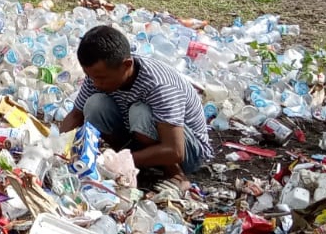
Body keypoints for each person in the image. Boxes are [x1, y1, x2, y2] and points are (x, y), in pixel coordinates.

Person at [55, 24, 211, 179]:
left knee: (139, 112)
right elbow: (76, 115)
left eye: (101, 78)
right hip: (143, 141)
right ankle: (136, 162)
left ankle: (174, 174)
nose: (95, 83)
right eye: (91, 77)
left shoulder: (158, 85)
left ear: (126, 65)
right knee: (94, 105)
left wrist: (113, 163)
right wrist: (57, 149)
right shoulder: (98, 76)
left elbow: (175, 150)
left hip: (187, 152)